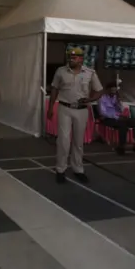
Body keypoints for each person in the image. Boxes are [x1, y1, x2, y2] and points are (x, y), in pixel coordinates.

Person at [47, 47, 103, 184]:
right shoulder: (61, 71)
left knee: (78, 142)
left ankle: (78, 169)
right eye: (69, 57)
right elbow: (54, 88)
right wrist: (50, 107)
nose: (71, 59)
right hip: (64, 108)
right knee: (63, 140)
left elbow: (99, 90)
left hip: (82, 110)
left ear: (81, 59)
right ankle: (60, 169)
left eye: (74, 57)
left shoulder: (90, 73)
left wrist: (90, 99)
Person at [98, 81, 135, 155]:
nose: (113, 92)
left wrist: (119, 102)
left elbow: (121, 110)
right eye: (112, 91)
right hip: (107, 119)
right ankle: (121, 146)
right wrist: (116, 117)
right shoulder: (102, 99)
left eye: (115, 91)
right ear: (107, 90)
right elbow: (103, 113)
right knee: (123, 125)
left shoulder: (116, 98)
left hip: (118, 117)